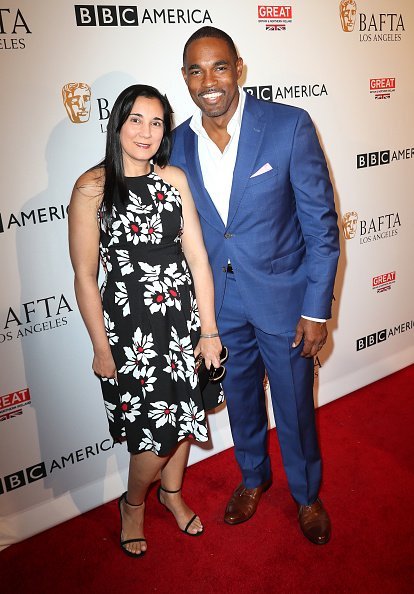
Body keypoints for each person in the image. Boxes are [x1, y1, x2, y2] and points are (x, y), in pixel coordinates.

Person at [170, 27, 340, 545]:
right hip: (219, 308)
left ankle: (307, 494)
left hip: (284, 302)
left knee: (294, 405)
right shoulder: (175, 143)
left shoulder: (289, 126)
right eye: (196, 71)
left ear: (239, 68)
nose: (209, 82)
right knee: (241, 399)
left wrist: (316, 310)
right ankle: (252, 477)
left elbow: (321, 226)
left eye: (219, 67)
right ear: (185, 79)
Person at [68, 84, 224, 558]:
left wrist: (209, 331)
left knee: (182, 420)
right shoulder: (92, 186)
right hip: (132, 334)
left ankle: (172, 494)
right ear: (117, 124)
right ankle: (132, 503)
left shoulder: (174, 179)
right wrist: (100, 346)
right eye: (136, 119)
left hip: (181, 323)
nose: (146, 131)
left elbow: (198, 259)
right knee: (157, 431)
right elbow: (84, 275)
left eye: (157, 122)